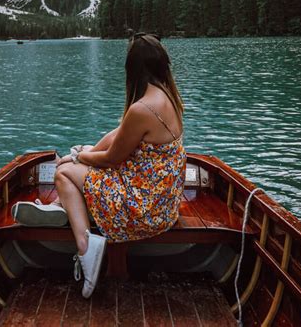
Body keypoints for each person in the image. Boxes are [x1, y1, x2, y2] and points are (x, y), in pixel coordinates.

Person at [12, 33, 186, 298]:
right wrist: (90, 150)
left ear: (133, 70)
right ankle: (60, 206)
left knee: (63, 174)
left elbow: (112, 159)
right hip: (165, 204)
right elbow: (119, 135)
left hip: (146, 210)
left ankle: (85, 248)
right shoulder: (166, 96)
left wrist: (77, 158)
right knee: (84, 168)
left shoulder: (142, 108)